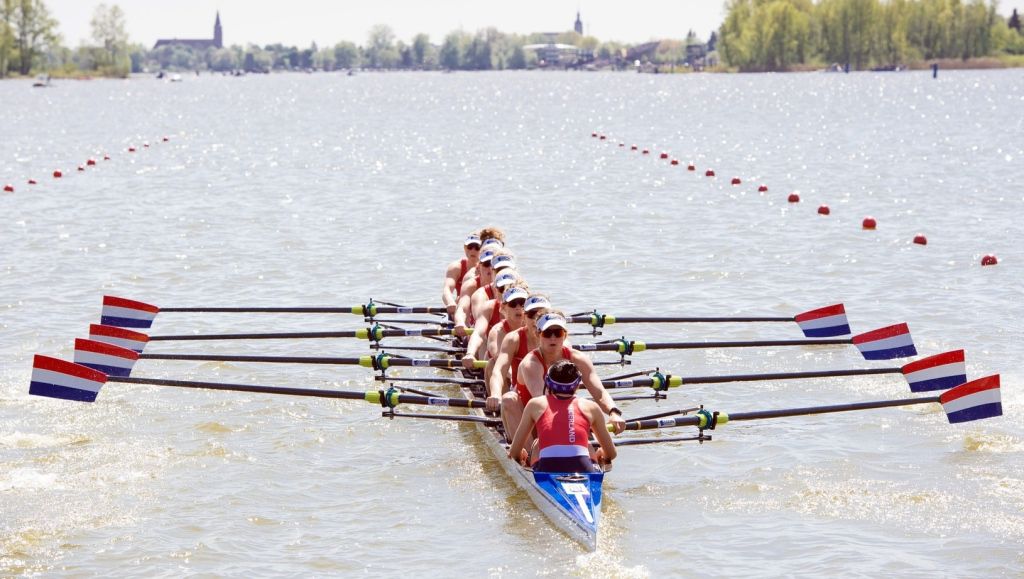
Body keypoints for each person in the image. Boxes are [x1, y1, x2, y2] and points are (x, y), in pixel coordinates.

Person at [513, 312, 627, 436]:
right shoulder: (531, 364)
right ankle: (527, 452)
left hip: (562, 416)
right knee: (509, 400)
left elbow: (599, 392)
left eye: (558, 333)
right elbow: (544, 402)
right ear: (538, 334)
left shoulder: (578, 358)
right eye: (547, 333)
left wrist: (613, 412)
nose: (553, 338)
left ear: (565, 335)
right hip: (530, 421)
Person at [507, 359, 617, 473]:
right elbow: (612, 454)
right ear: (577, 385)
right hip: (583, 468)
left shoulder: (535, 404)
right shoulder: (591, 407)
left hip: (547, 467)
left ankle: (535, 470)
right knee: (588, 445)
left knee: (537, 443)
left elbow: (514, 453)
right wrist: (602, 454)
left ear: (548, 383)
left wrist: (521, 458)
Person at [490, 294, 550, 415]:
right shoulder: (513, 339)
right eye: (532, 315)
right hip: (520, 396)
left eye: (541, 315)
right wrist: (495, 394)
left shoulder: (560, 341)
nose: (536, 320)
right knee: (491, 364)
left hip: (551, 397)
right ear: (524, 316)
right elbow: (498, 371)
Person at [461, 269, 522, 367]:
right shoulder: (488, 307)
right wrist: (470, 353)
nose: (505, 293)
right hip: (493, 354)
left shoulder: (529, 313)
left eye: (510, 288)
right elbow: (478, 334)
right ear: (495, 290)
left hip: (519, 358)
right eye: (502, 289)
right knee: (486, 341)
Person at [442, 233, 481, 317]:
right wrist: (450, 302)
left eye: (477, 247)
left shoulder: (489, 268)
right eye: (470, 247)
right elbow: (447, 289)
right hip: (462, 307)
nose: (473, 251)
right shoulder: (456, 267)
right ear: (464, 248)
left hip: (480, 308)